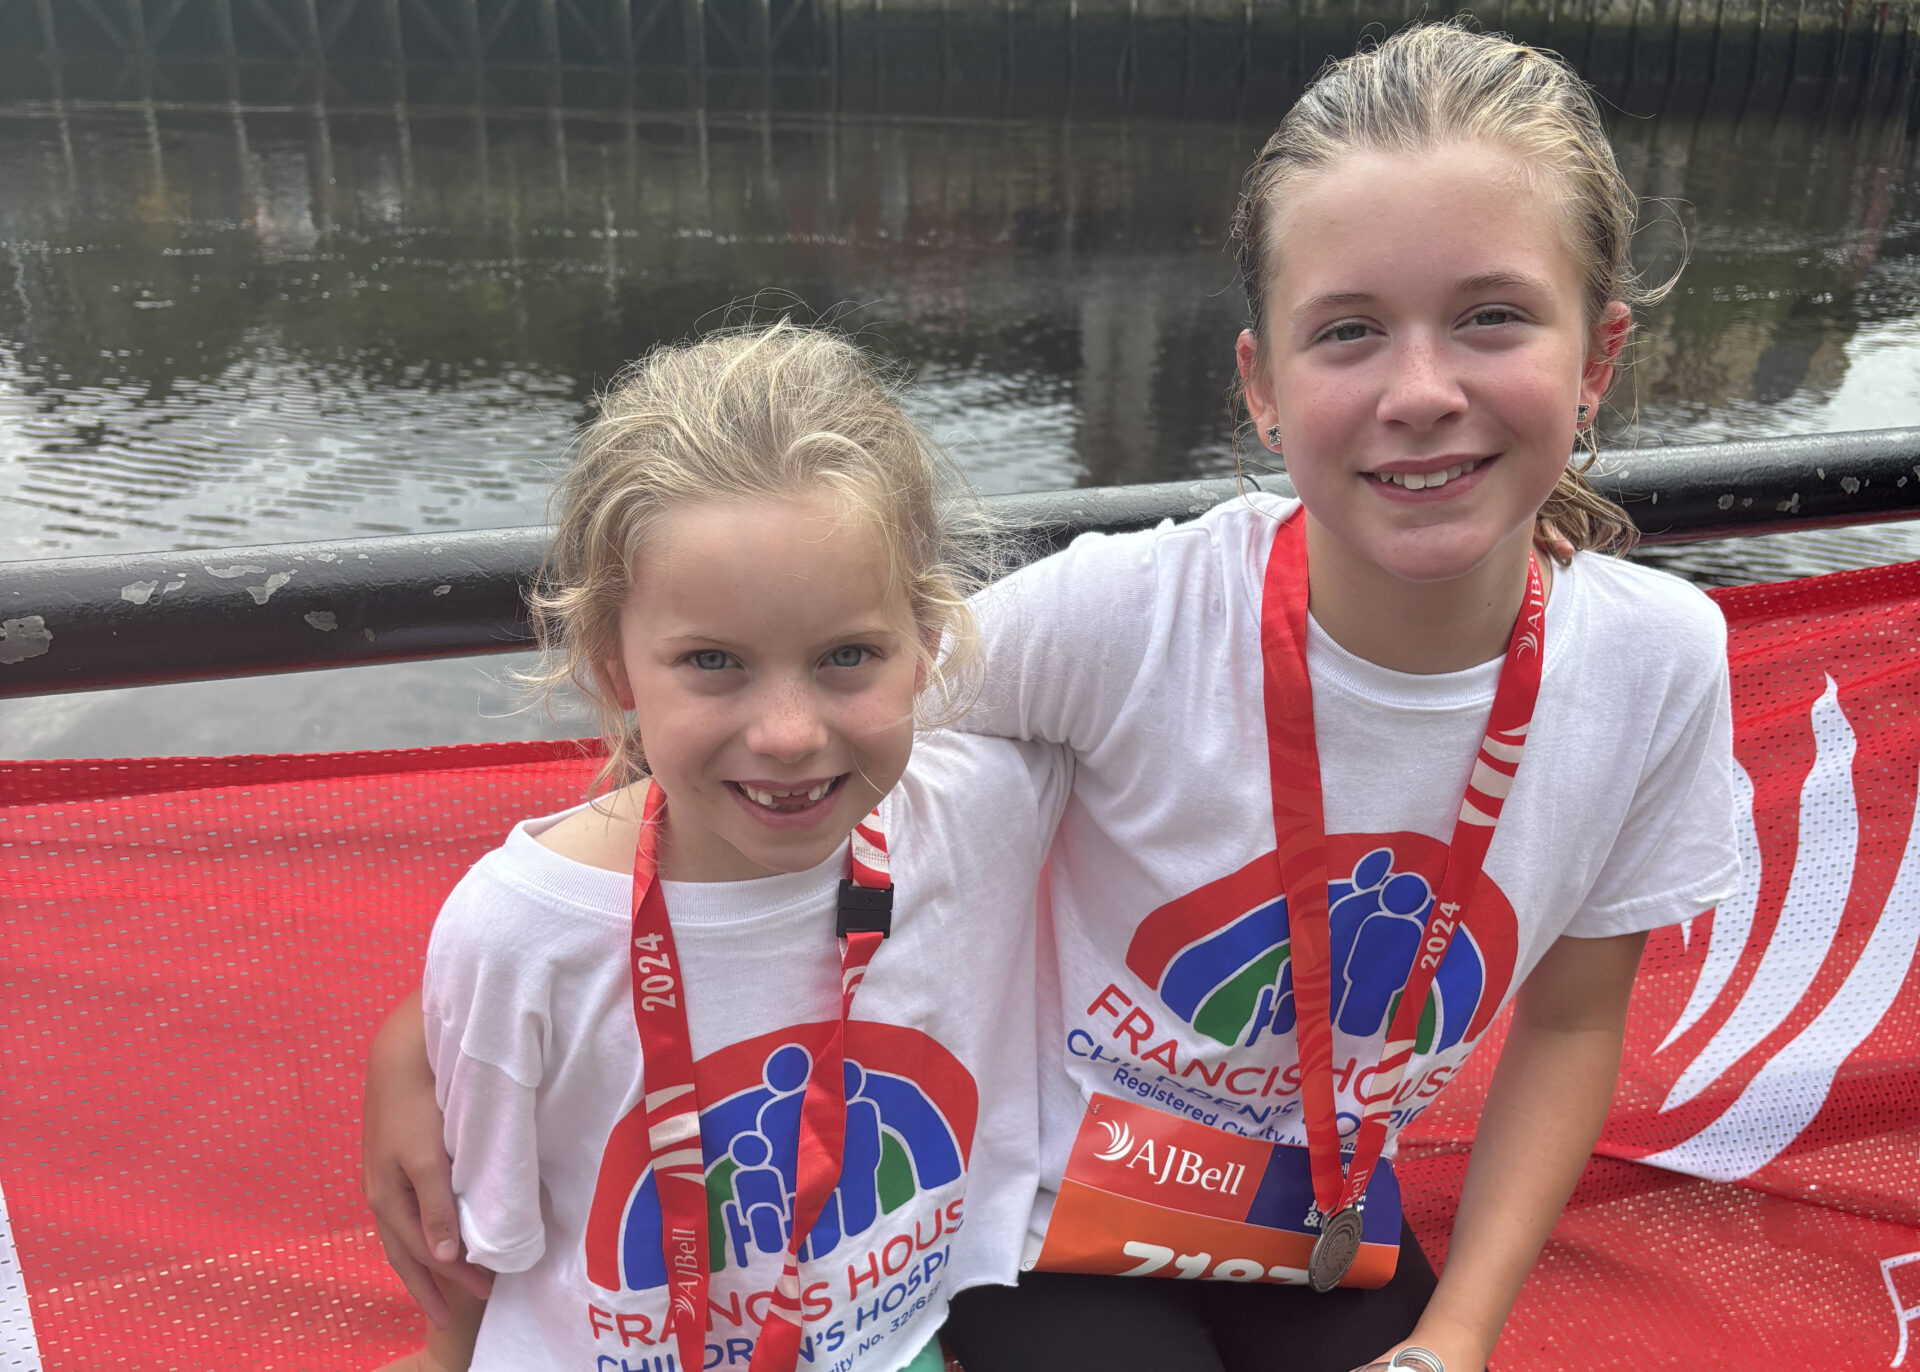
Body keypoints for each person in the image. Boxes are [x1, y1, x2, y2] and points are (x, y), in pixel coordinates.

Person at [367, 21, 1740, 1372]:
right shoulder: (1122, 615)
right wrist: (446, 1016)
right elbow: (783, 732)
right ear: (1260, 385)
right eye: (1351, 332)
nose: (1423, 390)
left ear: (1599, 354)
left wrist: (1454, 1343)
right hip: (1045, 1220)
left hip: (1316, 1221)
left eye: (1492, 317)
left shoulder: (1657, 664)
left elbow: (1568, 1019)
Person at [370, 321, 1067, 1372]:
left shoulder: (984, 812)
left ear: (928, 644)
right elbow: (470, 1281)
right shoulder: (518, 933)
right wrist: (409, 1039)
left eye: (847, 655)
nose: (788, 733)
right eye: (712, 661)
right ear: (615, 670)